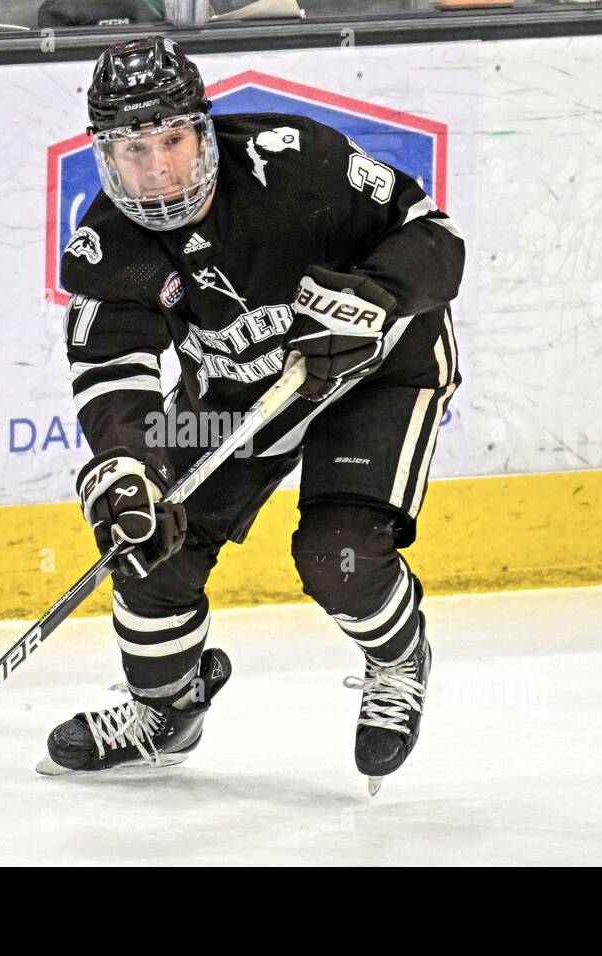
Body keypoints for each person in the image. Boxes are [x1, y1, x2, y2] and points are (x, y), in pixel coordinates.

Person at [42, 36, 464, 792]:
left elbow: (436, 239)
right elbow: (113, 369)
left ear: (203, 128)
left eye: (172, 140)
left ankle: (399, 658)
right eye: (134, 150)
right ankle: (164, 712)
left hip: (373, 374)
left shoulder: (295, 163)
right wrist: (129, 467)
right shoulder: (110, 245)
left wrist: (374, 295)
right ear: (106, 155)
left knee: (338, 554)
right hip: (236, 399)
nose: (159, 169)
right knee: (146, 536)